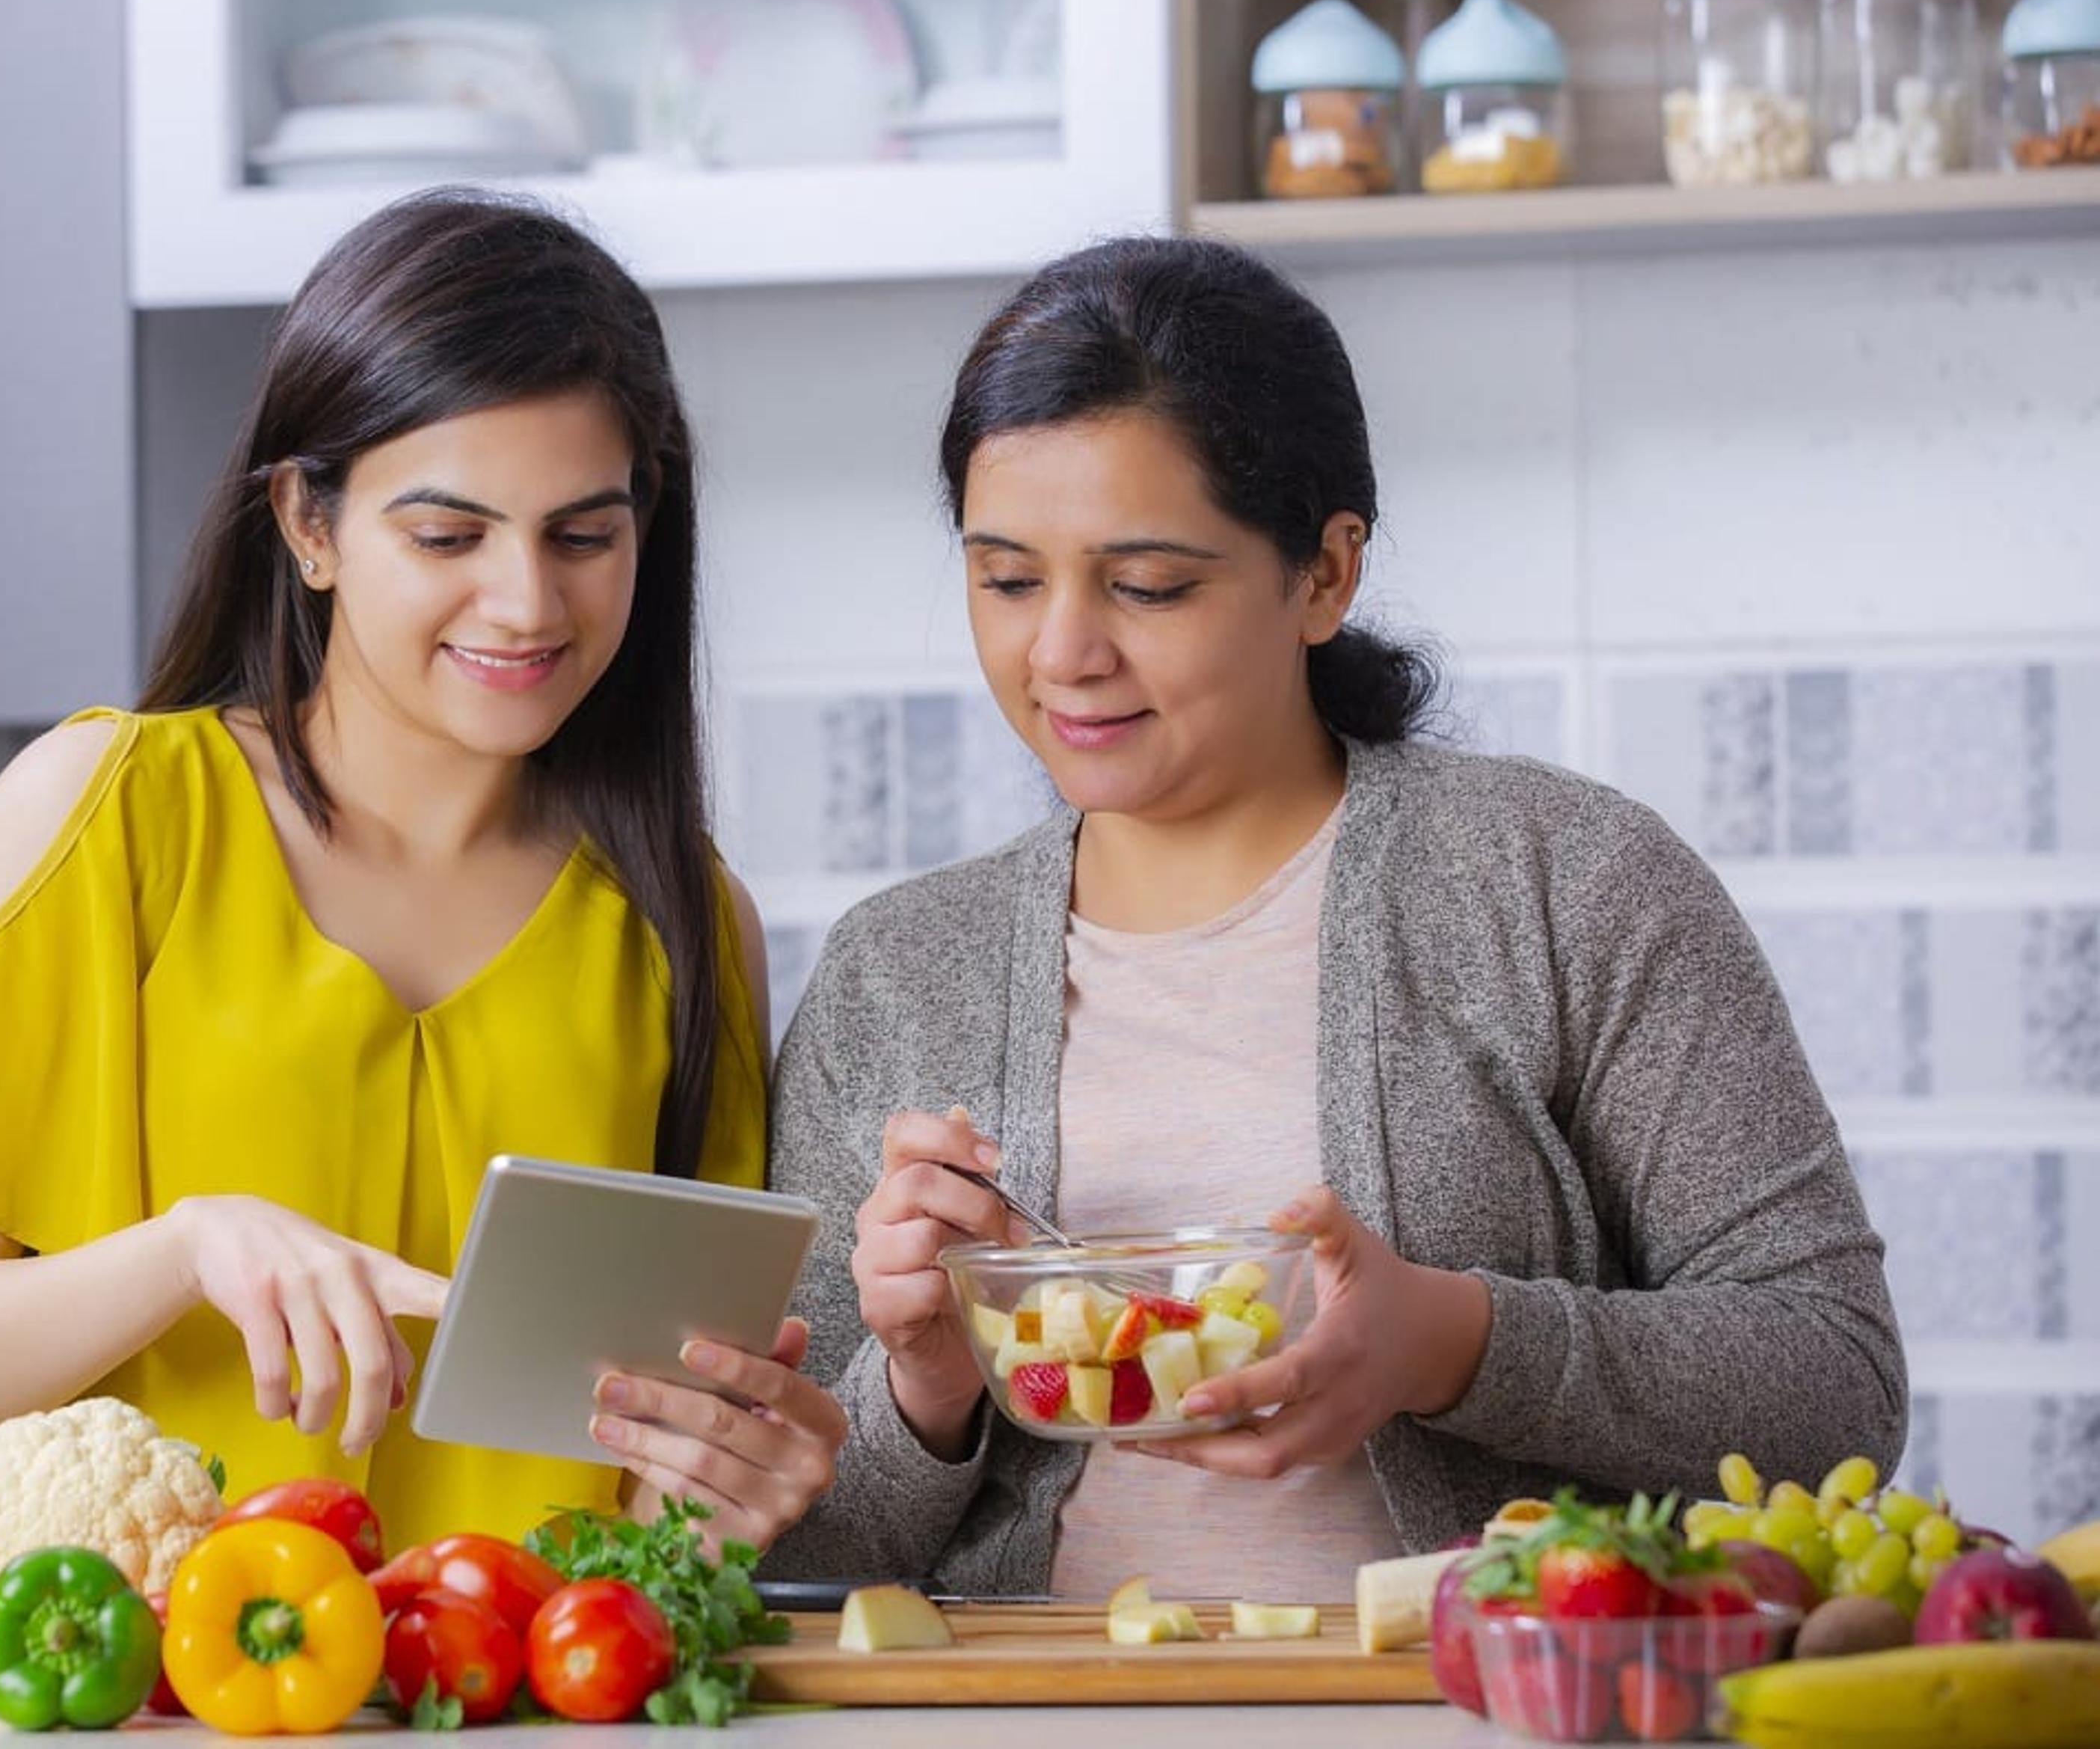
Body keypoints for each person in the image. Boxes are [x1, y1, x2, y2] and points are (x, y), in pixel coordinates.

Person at [0, 192, 844, 1686]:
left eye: (583, 534)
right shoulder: (105, 818)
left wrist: (737, 1485)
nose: (526, 599)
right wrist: (182, 1250)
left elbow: (657, 1494)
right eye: (449, 531)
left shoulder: (679, 923)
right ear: (309, 522)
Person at [758, 236, 1904, 1602]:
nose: (1061, 649)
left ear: (1324, 573)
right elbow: (803, 1555)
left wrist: (1456, 1345)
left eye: (1147, 585)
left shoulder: (1568, 880)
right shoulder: (897, 973)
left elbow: (1838, 1383)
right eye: (1008, 578)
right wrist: (926, 1386)